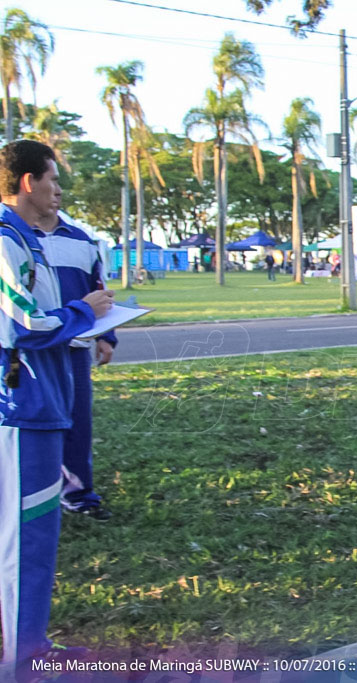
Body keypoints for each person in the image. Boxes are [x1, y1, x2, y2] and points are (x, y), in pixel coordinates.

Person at [0, 140, 114, 671]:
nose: (59, 190)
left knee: (32, 531)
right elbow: (25, 323)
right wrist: (83, 312)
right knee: (28, 536)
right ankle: (24, 659)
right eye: (52, 179)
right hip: (23, 405)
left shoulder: (32, 239)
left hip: (39, 401)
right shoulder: (6, 239)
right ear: (28, 182)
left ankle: (28, 644)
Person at [36, 211, 117, 521]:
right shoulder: (12, 236)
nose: (56, 190)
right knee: (33, 424)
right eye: (51, 181)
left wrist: (105, 336)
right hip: (33, 352)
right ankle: (30, 496)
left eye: (59, 183)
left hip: (74, 351)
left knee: (77, 423)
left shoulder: (80, 239)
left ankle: (78, 496)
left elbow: (100, 291)